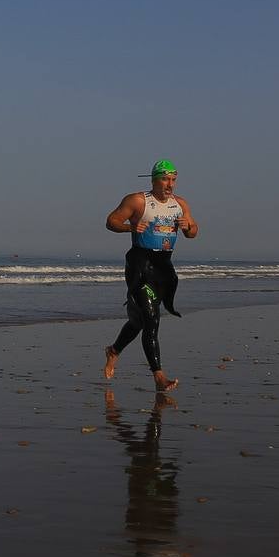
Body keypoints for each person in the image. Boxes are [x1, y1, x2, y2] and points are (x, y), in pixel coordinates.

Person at [103, 160, 199, 391]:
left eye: (173, 180)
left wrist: (187, 227)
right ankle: (159, 377)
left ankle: (114, 350)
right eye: (165, 179)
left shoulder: (180, 204)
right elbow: (111, 221)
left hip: (163, 267)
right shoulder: (137, 201)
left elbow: (193, 232)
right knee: (152, 319)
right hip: (140, 264)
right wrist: (130, 227)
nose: (170, 184)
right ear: (154, 180)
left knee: (139, 322)